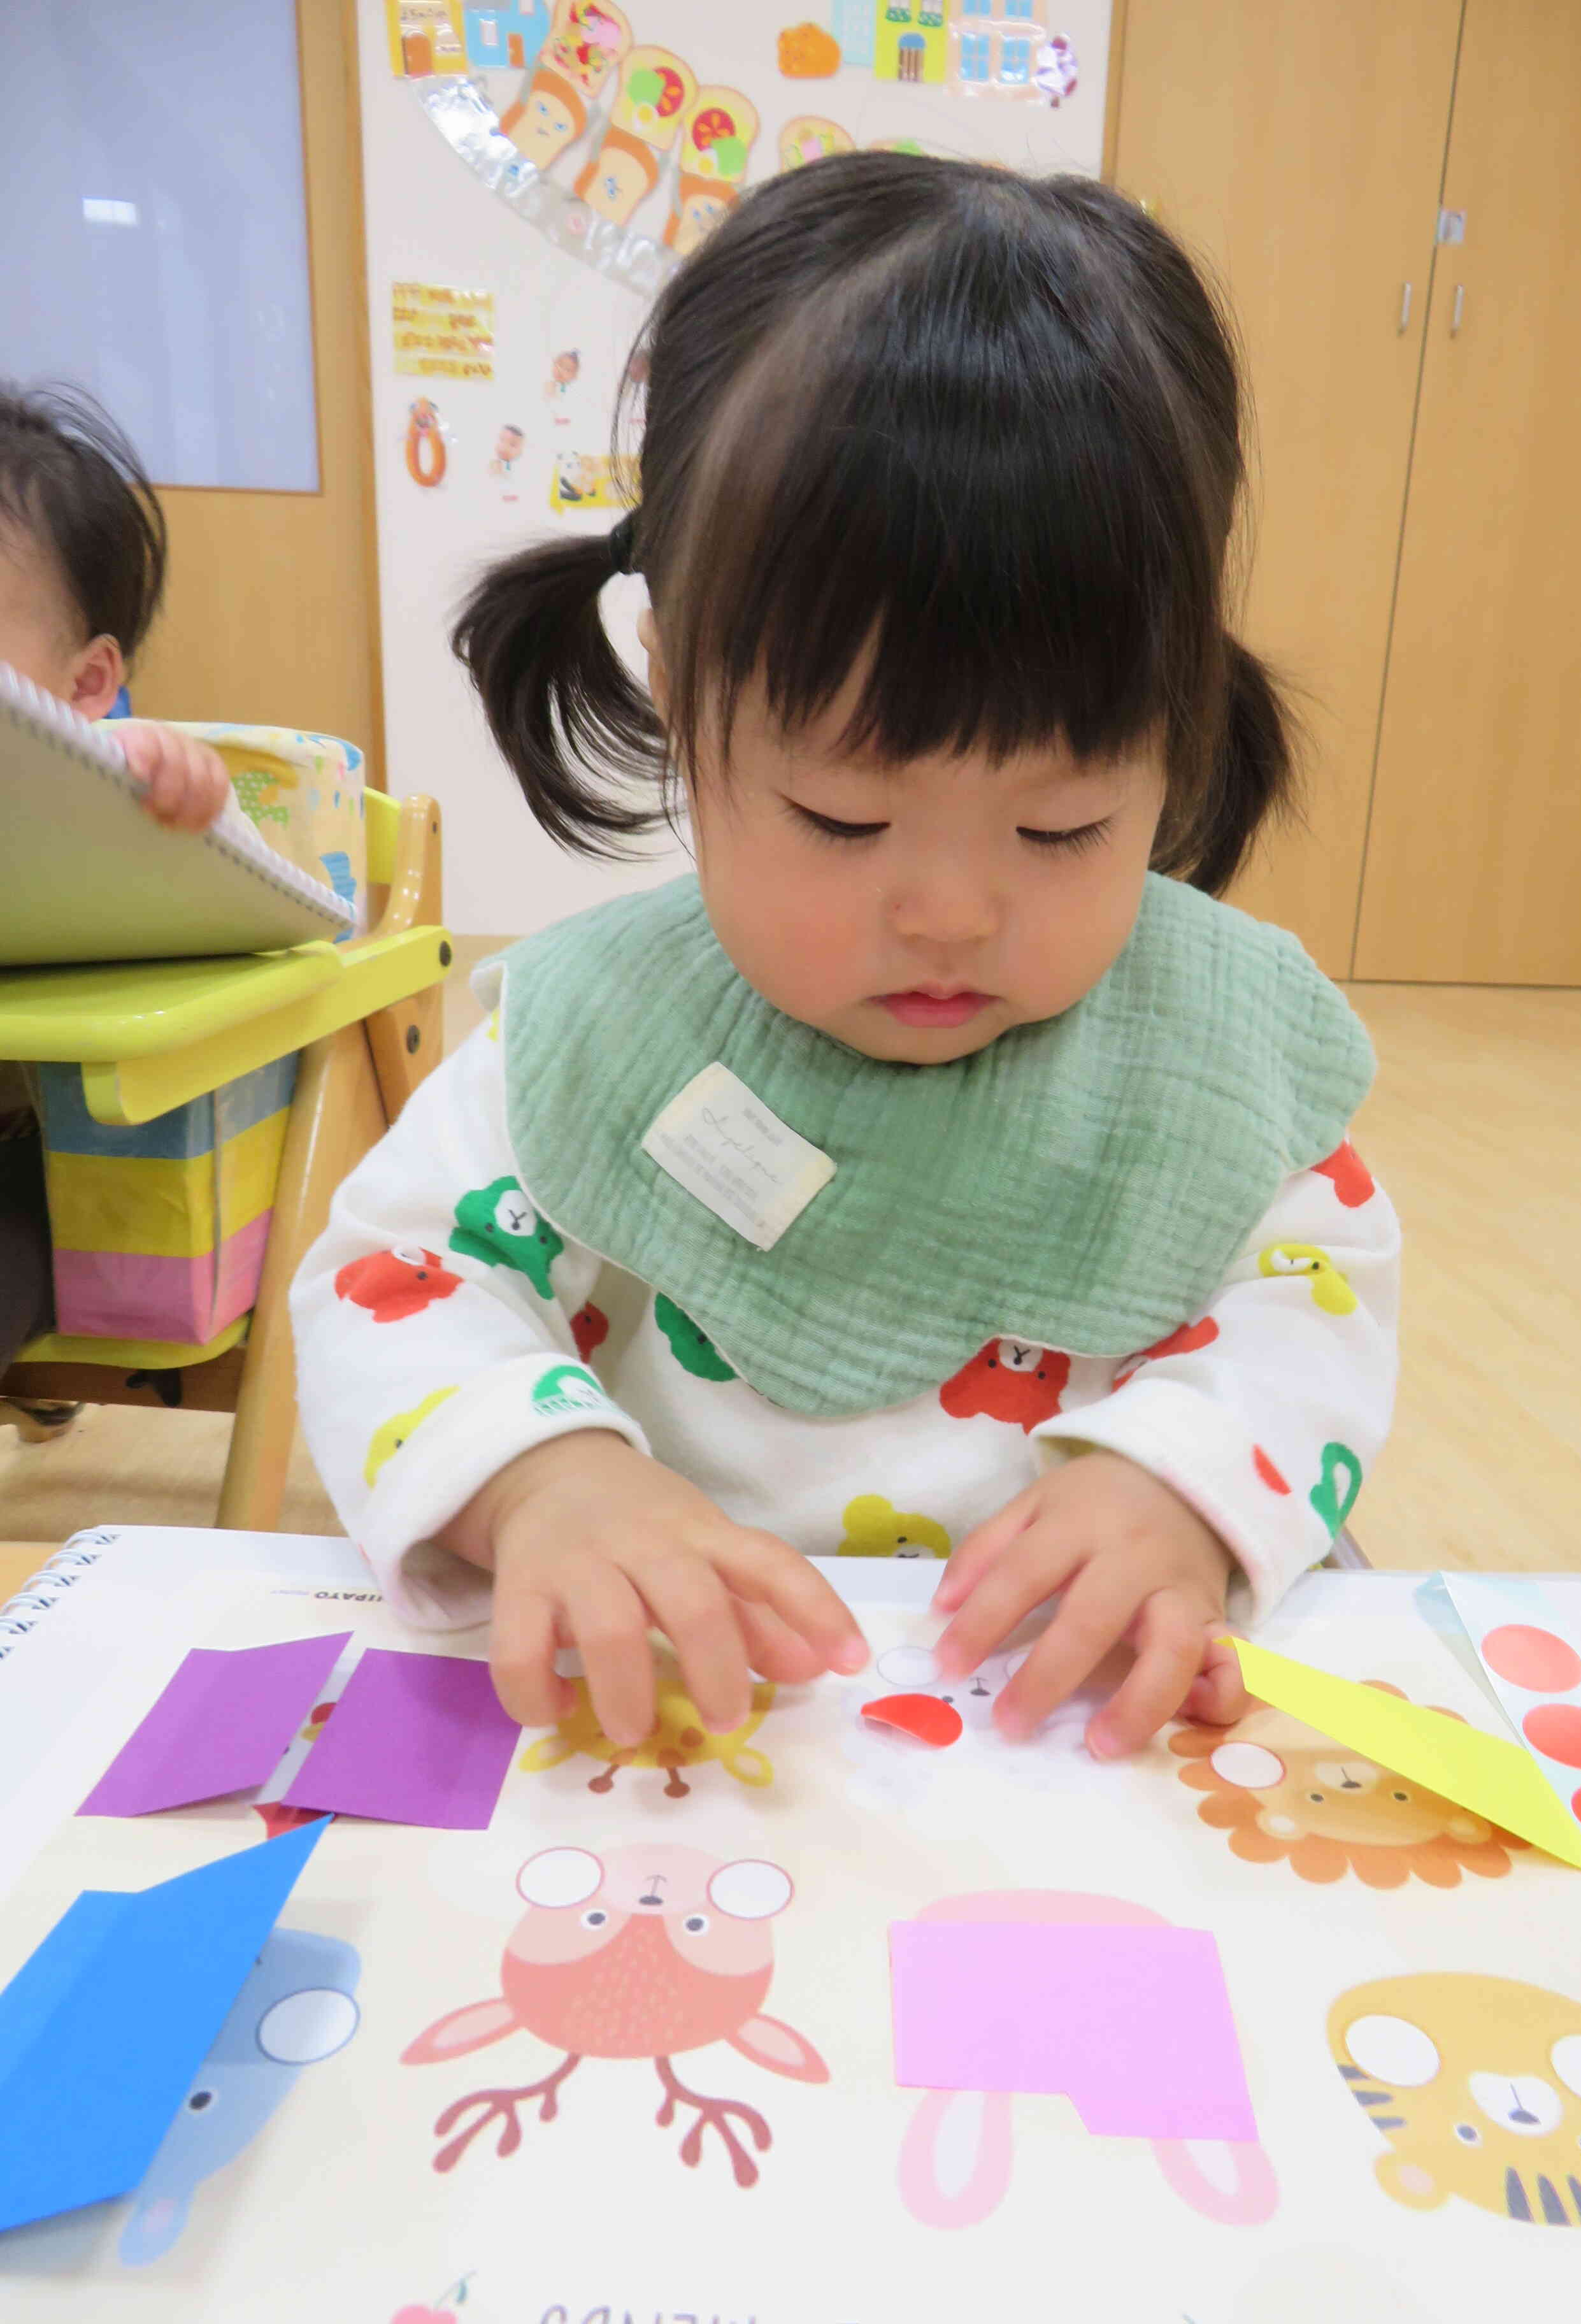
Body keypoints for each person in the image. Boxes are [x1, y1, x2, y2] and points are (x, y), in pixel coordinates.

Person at [291, 157, 1400, 1765]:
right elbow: (398, 1281)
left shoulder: (1217, 1051)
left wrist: (1184, 1486)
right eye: (842, 817)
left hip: (1068, 1741)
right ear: (676, 685)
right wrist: (543, 1481)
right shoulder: (606, 1031)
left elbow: (1314, 1299)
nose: (949, 912)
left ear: (1178, 730)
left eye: (1062, 827)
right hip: (711, 1740)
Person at [0, 384, 231, 1438]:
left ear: (86, 682)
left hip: (39, 1158)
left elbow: (208, 870)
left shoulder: (99, 779)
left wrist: (150, 777)